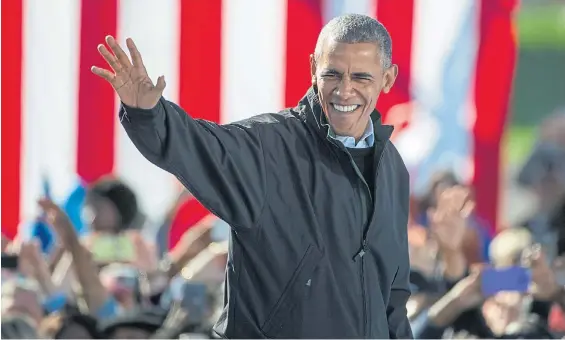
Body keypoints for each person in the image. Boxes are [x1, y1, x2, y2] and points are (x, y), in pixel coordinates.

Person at [92, 14, 412, 338]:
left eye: (361, 77)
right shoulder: (267, 147)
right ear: (314, 68)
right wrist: (149, 115)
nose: (345, 90)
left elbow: (394, 297)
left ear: (387, 79)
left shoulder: (392, 168)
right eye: (333, 74)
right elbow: (197, 147)